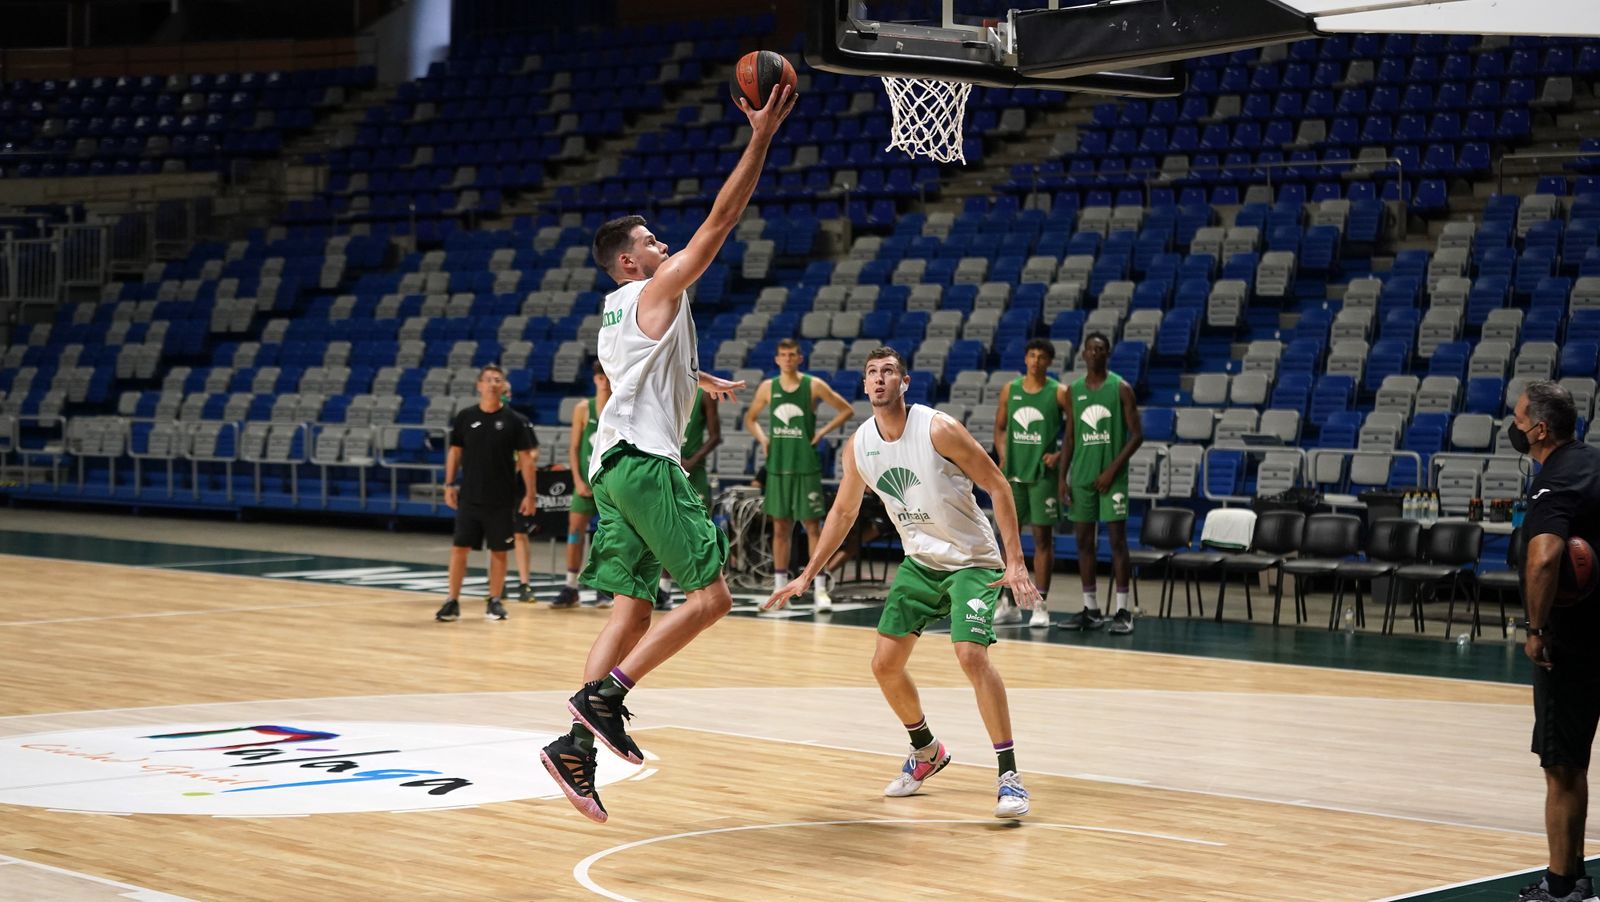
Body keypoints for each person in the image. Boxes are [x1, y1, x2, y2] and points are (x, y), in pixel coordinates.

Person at [538, 79, 796, 824]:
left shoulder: (612, 313)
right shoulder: (655, 290)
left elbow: (631, 372)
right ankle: (603, 701)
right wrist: (760, 139)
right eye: (651, 242)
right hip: (649, 466)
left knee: (629, 614)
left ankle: (575, 750)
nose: (664, 245)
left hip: (610, 469)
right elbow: (721, 224)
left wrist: (693, 373)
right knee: (713, 598)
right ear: (629, 263)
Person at [765, 347, 1041, 819]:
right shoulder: (860, 445)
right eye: (871, 372)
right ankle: (926, 750)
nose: (878, 379)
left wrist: (1015, 563)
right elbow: (844, 512)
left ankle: (1009, 776)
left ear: (904, 382)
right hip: (920, 561)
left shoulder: (938, 429)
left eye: (888, 372)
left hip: (972, 560)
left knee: (970, 654)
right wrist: (808, 574)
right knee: (884, 664)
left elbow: (999, 485)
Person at [1511, 381, 1600, 902]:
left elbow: (1545, 558)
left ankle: (1564, 884)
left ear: (1540, 429)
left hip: (1573, 645)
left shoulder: (1554, 483)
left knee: (1564, 767)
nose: (1515, 428)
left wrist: (1537, 632)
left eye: (1519, 420)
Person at [744, 338, 853, 609]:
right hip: (778, 467)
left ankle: (819, 588)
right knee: (780, 528)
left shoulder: (813, 385)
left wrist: (822, 432)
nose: (788, 359)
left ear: (799, 359)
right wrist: (763, 440)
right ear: (777, 359)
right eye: (783, 355)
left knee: (813, 527)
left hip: (805, 466)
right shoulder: (768, 388)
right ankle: (780, 591)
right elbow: (750, 418)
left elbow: (846, 409)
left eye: (793, 355)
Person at [435, 364, 536, 623]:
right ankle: (452, 600)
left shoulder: (514, 421)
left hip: (502, 498)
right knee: (460, 548)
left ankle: (494, 601)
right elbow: (455, 452)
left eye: (498, 380)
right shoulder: (466, 417)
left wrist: (530, 494)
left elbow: (527, 459)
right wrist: (448, 484)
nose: (493, 383)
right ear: (479, 385)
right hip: (469, 496)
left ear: (503, 387)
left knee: (499, 551)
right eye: (488, 379)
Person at [1057, 332, 1143, 635]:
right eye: (1091, 349)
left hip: (1113, 479)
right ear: (1083, 354)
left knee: (1117, 542)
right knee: (1083, 543)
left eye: (1101, 349)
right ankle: (1091, 608)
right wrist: (1062, 478)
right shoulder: (1073, 391)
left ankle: (1123, 610)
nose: (1095, 353)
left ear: (1108, 354)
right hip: (1081, 477)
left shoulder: (1121, 388)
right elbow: (1068, 438)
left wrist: (1111, 470)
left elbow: (1137, 435)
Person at [992, 337, 1068, 629]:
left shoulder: (1059, 392)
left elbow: (1073, 432)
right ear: (1025, 359)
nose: (1036, 360)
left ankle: (1041, 604)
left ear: (1050, 362)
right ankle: (1007, 603)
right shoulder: (1010, 390)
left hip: (1043, 477)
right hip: (1013, 476)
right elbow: (999, 428)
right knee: (1008, 542)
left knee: (1042, 541)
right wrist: (1002, 454)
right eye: (1032, 355)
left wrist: (1060, 454)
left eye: (1042, 357)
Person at [656, 388, 722, 611]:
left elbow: (716, 436)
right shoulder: (664, 388)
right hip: (667, 467)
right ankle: (663, 589)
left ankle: (708, 585)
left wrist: (692, 460)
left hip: (694, 470)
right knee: (666, 530)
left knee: (699, 532)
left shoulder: (703, 394)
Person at [555, 362, 611, 610]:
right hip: (585, 483)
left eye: (608, 376)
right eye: (600, 377)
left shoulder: (620, 406)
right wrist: (577, 480)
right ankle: (570, 586)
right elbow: (574, 448)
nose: (605, 381)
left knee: (609, 537)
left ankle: (604, 587)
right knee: (574, 532)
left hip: (610, 484)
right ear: (595, 379)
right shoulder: (582, 409)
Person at [510, 409, 542, 603]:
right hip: (496, 483)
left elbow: (533, 452)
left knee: (520, 534)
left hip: (519, 484)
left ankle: (524, 583)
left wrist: (519, 464)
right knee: (495, 533)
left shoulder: (520, 421)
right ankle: (494, 584)